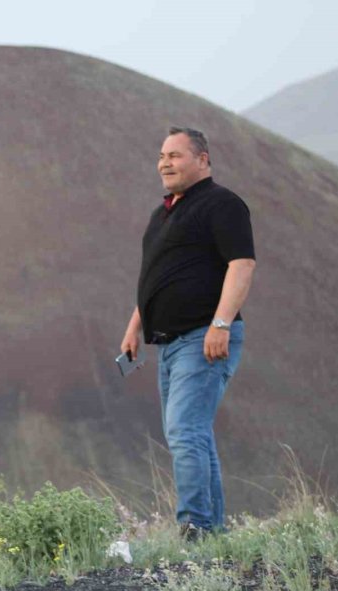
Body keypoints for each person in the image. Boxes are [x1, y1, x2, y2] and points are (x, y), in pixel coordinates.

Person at [120, 126, 256, 541]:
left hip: (204, 337)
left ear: (202, 160)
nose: (165, 163)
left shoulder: (222, 204)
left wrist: (220, 324)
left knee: (184, 430)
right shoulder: (162, 214)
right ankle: (210, 531)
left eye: (175, 155)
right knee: (191, 431)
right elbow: (158, 276)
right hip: (170, 343)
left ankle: (194, 526)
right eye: (162, 155)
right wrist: (134, 326)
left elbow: (242, 264)